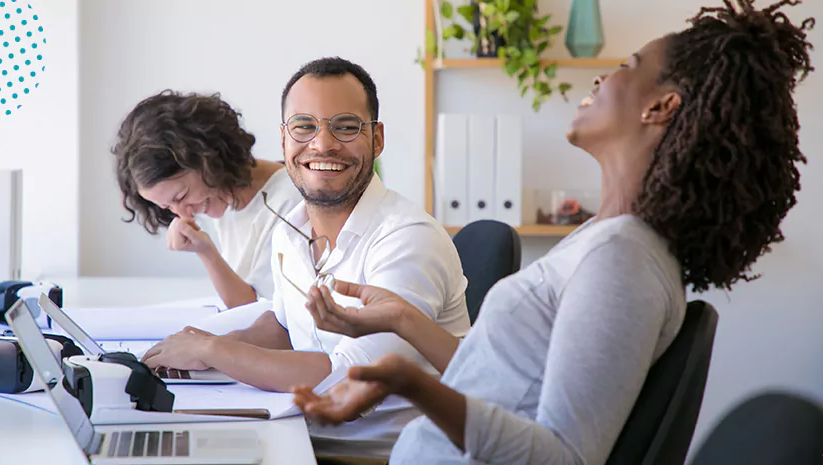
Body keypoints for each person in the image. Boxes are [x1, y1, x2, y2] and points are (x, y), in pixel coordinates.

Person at [292, 1, 815, 463]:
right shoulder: (606, 240)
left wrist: (411, 383)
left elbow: (563, 457)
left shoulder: (622, 259)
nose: (600, 80)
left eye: (627, 67)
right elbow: (500, 384)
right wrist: (403, 319)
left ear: (660, 107)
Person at [140, 58, 471, 460]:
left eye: (346, 126)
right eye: (304, 126)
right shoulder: (290, 228)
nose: (323, 143)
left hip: (379, 456)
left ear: (377, 139)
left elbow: (348, 378)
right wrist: (198, 351)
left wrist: (216, 352)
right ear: (283, 141)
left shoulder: (407, 239)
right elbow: (283, 323)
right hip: (299, 437)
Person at [112, 90, 303, 306]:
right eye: (168, 207)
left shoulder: (290, 202)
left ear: (208, 161)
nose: (184, 213)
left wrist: (206, 252)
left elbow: (256, 312)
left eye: (182, 196)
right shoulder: (224, 200)